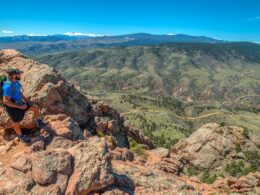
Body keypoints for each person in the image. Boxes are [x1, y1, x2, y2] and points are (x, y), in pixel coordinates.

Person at [2, 68, 46, 143]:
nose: (20, 75)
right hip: (13, 108)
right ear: (13, 75)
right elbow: (5, 101)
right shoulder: (7, 86)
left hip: (20, 103)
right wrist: (19, 106)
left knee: (35, 108)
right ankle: (21, 136)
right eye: (18, 74)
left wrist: (26, 100)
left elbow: (19, 92)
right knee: (16, 123)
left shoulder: (16, 82)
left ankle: (39, 122)